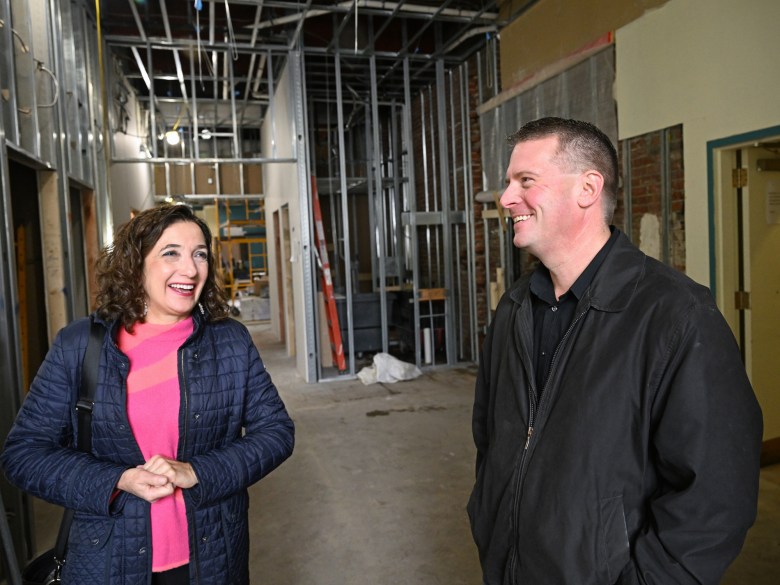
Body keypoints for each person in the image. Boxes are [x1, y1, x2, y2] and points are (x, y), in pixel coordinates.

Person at [467, 117, 763, 585]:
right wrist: (488, 518)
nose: (505, 198)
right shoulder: (515, 307)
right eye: (508, 182)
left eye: (525, 181)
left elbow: (714, 498)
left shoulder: (676, 316)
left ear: (587, 188)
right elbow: (491, 436)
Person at [2, 204, 295, 584]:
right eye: (170, 253)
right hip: (109, 562)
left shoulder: (230, 342)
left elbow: (276, 432)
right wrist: (116, 480)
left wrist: (197, 471)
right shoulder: (81, 346)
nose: (190, 269)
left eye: (199, 254)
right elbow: (24, 454)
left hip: (213, 557)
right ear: (135, 263)